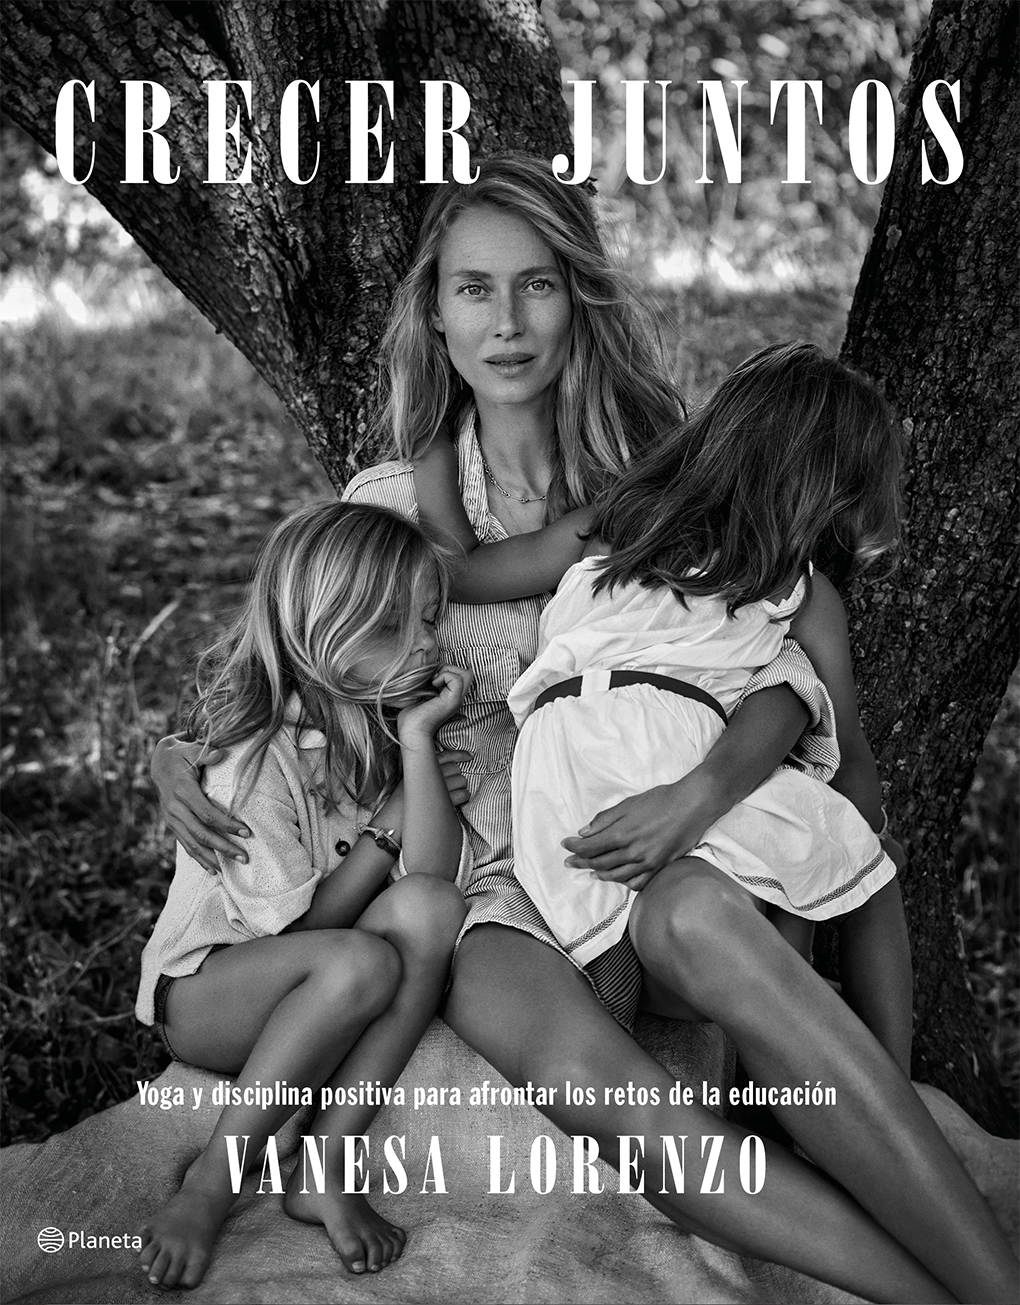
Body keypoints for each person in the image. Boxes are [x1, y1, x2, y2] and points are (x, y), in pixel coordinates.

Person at [152, 155, 1018, 1303]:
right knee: (624, 1105)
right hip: (488, 895)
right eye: (474, 288)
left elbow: (790, 681)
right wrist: (175, 754)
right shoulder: (390, 509)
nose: (507, 323)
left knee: (698, 913)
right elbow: (285, 659)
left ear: (579, 297)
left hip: (657, 855)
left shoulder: (658, 494)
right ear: (435, 313)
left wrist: (702, 799)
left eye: (538, 284)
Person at [414, 340, 912, 1072]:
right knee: (865, 865)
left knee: (776, 885)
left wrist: (428, 442)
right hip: (675, 792)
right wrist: (867, 832)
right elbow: (854, 774)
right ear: (831, 493)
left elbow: (462, 569)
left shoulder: (613, 528)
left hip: (572, 794)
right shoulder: (799, 592)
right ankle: (885, 1079)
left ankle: (787, 1059)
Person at [136, 502, 471, 1289]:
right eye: (393, 625)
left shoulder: (380, 728)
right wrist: (386, 828)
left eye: (430, 618)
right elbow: (296, 936)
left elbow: (431, 880)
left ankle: (325, 1160)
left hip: (320, 976)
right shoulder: (252, 761)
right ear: (321, 631)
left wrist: (417, 743)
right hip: (211, 994)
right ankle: (211, 1181)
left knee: (429, 912)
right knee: (358, 962)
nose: (427, 642)